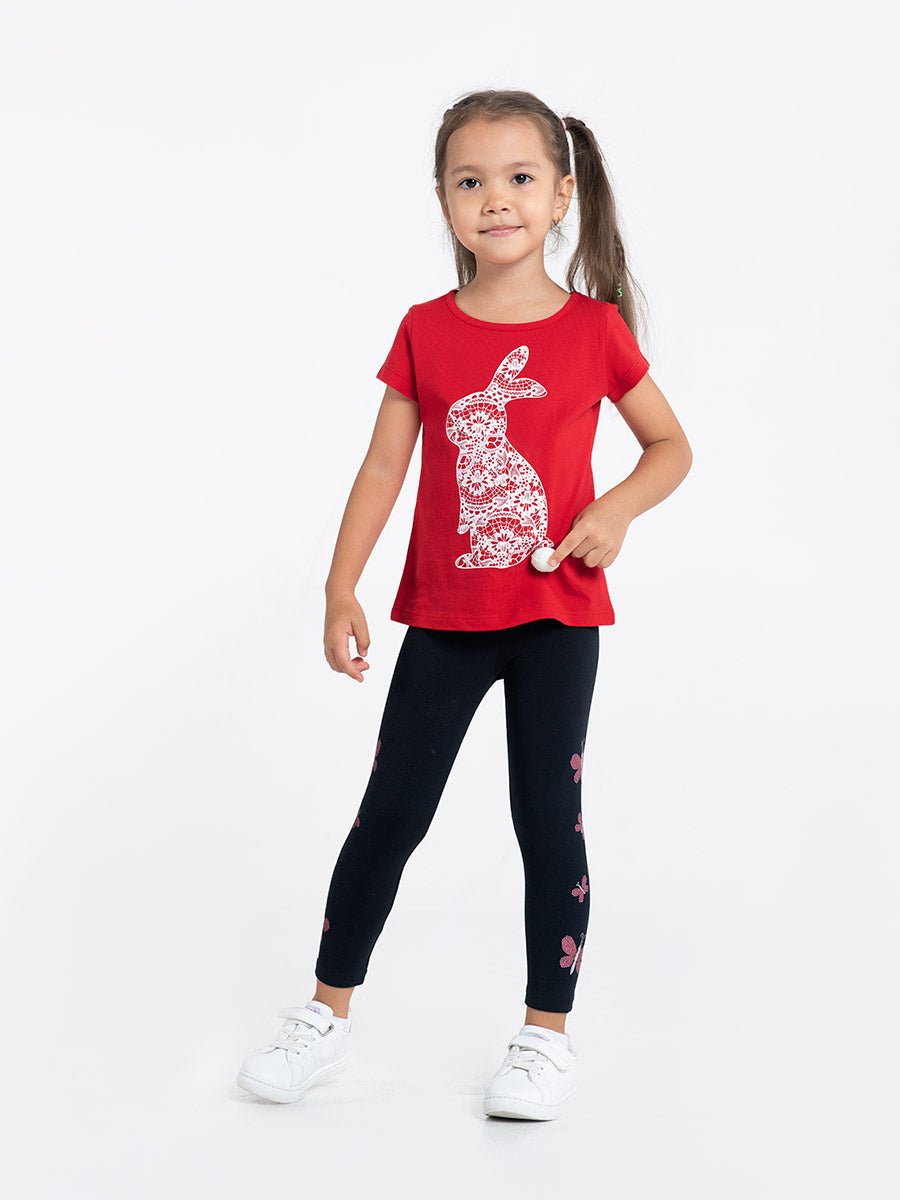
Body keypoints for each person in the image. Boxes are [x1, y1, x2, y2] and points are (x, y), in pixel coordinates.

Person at [236, 88, 692, 1120]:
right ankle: (325, 1018)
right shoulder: (427, 330)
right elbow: (382, 467)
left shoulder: (594, 330)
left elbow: (671, 446)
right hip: (444, 618)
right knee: (391, 813)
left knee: (547, 820)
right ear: (443, 199)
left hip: (558, 618)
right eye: (470, 180)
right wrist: (340, 585)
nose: (495, 198)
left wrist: (615, 511)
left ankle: (544, 1037)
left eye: (520, 178)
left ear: (561, 194)